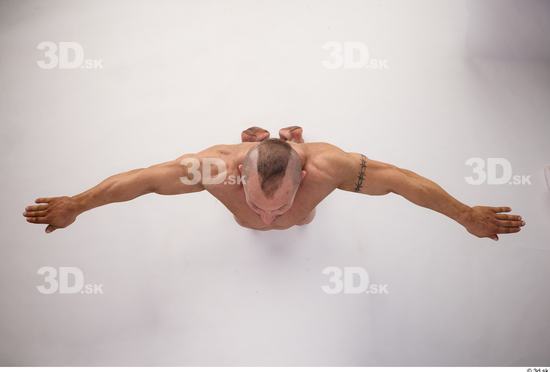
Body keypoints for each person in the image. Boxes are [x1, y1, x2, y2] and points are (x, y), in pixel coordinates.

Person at [23, 126, 525, 239]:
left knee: (307, 197)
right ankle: (260, 139)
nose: (269, 213)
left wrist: (464, 214)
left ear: (304, 177)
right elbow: (142, 181)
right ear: (238, 174)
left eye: (282, 202)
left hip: (306, 165)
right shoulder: (212, 170)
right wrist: (77, 204)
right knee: (253, 173)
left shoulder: (329, 168)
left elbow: (401, 182)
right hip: (243, 157)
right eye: (258, 202)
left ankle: (285, 139)